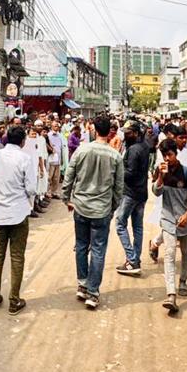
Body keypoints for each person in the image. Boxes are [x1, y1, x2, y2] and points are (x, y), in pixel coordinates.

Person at [62, 115, 124, 309]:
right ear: (110, 132)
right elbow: (119, 188)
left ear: (94, 130)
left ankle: (82, 284)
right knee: (98, 250)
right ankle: (93, 292)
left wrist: (67, 199)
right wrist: (112, 207)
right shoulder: (115, 156)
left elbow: (69, 176)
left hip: (81, 206)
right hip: (101, 210)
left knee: (81, 246)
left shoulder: (82, 150)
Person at [0, 125, 36, 315]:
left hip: (0, 212)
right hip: (18, 213)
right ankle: (14, 300)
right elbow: (31, 188)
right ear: (23, 141)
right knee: (17, 257)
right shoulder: (25, 158)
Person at [152, 138, 187, 314]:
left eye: (169, 155)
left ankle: (183, 281)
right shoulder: (161, 170)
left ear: (175, 153)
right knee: (169, 254)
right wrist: (161, 177)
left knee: (186, 253)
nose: (167, 158)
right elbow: (156, 192)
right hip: (168, 219)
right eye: (164, 155)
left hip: (185, 220)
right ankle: (171, 294)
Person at [116, 119, 149, 276]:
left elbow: (130, 174)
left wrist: (117, 171)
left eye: (128, 133)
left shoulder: (135, 149)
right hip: (141, 193)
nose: (125, 135)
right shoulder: (143, 146)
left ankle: (132, 259)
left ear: (136, 133)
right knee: (138, 227)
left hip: (131, 193)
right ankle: (135, 259)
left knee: (120, 224)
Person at [47, 120, 64, 198]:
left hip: (58, 159)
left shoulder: (60, 135)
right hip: (51, 159)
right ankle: (48, 192)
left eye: (57, 125)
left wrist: (62, 159)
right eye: (55, 126)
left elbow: (61, 148)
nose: (57, 127)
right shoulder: (48, 135)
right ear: (52, 127)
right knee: (49, 177)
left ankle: (55, 192)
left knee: (56, 177)